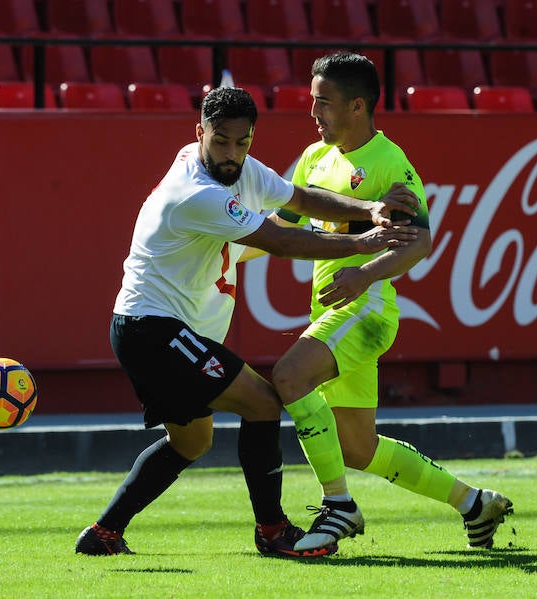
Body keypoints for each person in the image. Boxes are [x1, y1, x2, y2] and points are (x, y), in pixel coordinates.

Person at [75, 86, 422, 558]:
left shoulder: (234, 167)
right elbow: (281, 241)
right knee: (262, 403)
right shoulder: (196, 192)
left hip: (150, 329)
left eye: (242, 143)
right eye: (221, 142)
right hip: (152, 331)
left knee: (192, 442)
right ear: (200, 133)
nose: (232, 153)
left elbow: (299, 198)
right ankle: (273, 531)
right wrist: (362, 245)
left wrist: (368, 209)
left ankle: (103, 534)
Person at [268, 52, 514, 553]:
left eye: (323, 104)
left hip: (365, 310)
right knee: (358, 448)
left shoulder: (389, 162)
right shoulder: (315, 158)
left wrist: (363, 275)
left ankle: (338, 507)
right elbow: (278, 233)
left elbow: (420, 242)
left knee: (289, 377)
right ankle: (473, 502)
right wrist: (219, 253)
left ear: (356, 105)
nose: (313, 114)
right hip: (335, 313)